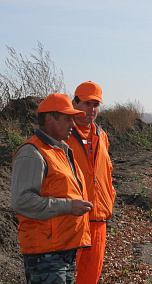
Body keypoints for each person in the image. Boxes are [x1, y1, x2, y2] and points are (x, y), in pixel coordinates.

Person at [11, 93, 93, 284]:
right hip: (46, 255)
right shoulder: (32, 153)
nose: (72, 123)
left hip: (63, 249)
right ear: (49, 118)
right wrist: (68, 206)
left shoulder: (59, 150)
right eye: (67, 118)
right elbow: (22, 201)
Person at [65, 81, 116, 284]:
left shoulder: (101, 135)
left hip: (98, 219)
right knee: (66, 275)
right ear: (75, 102)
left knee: (91, 276)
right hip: (71, 217)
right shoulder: (63, 134)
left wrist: (109, 199)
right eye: (87, 104)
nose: (92, 109)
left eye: (96, 105)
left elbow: (107, 172)